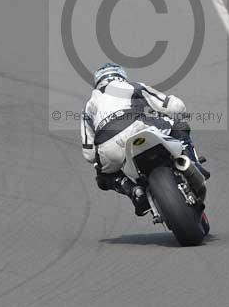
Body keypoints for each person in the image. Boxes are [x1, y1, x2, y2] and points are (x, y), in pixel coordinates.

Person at [80, 63, 209, 216]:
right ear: (121, 76)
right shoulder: (133, 87)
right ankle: (192, 163)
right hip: (138, 127)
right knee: (180, 127)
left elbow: (88, 154)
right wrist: (177, 112)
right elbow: (175, 106)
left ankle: (131, 189)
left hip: (109, 148)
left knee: (102, 177)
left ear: (98, 83)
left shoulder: (87, 108)